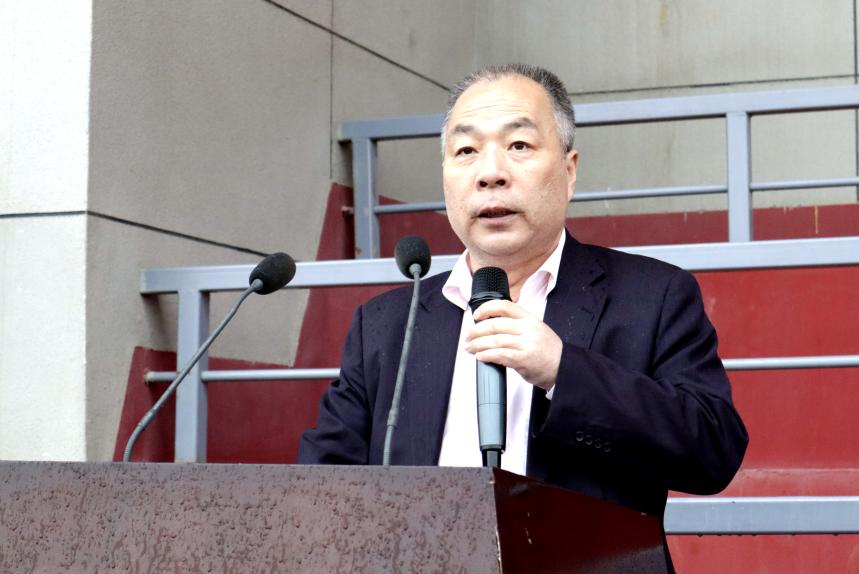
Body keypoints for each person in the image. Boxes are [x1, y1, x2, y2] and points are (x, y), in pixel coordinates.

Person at [298, 64, 747, 523]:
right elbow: (320, 486)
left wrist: (562, 371)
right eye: (466, 150)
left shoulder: (652, 296)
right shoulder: (388, 323)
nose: (490, 173)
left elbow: (713, 453)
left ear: (569, 171)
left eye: (518, 145)